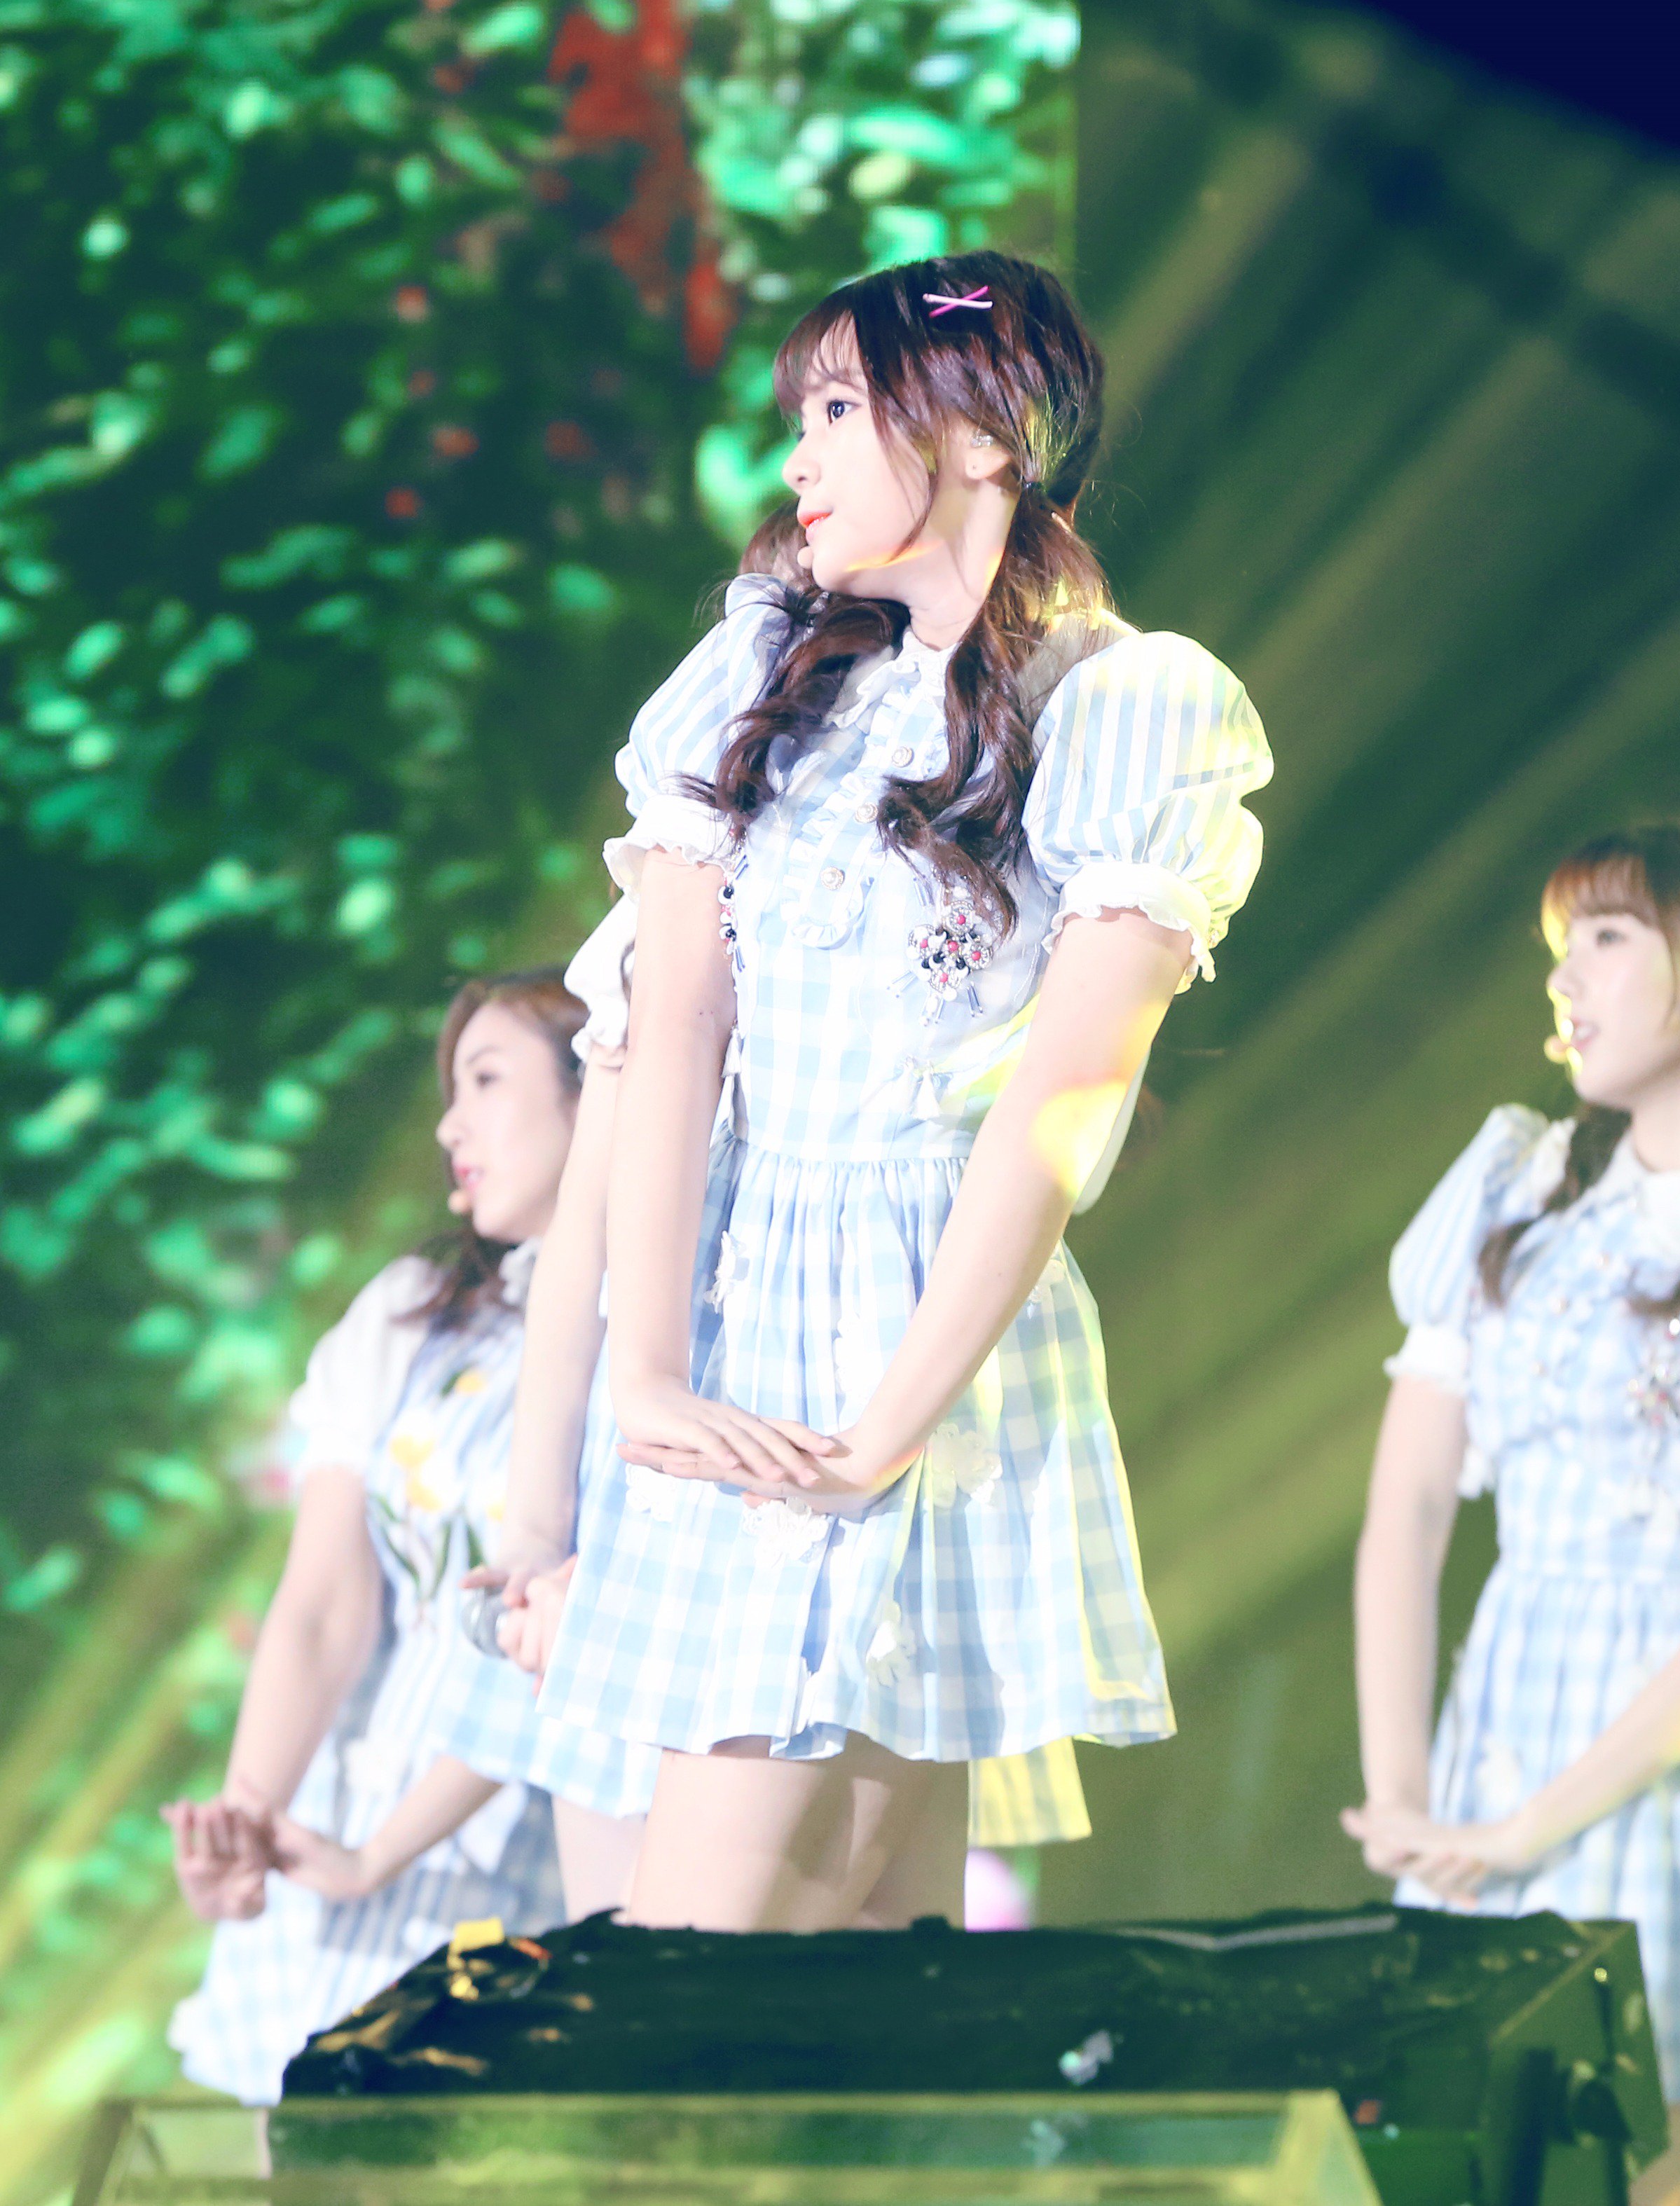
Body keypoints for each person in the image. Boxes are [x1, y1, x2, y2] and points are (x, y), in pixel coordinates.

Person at [508, 249, 1273, 1932]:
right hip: (737, 1316)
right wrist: (644, 1365)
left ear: (986, 434)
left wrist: (884, 1429)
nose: (798, 457)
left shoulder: (1126, 703)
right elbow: (671, 1029)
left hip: (918, 1331)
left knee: (734, 1948)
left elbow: (1060, 1109)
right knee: (833, 1958)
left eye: (838, 409)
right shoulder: (767, 678)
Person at [441, 502, 1097, 1917]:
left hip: (825, 1389)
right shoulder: (693, 894)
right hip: (674, 1440)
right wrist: (545, 1530)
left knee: (845, 1906)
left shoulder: (984, 786)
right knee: (662, 1929)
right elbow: (588, 1244)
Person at [1347, 818, 1680, 2206]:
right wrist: (1403, 1792)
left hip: (1677, 1743)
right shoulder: (1518, 1186)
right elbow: (1407, 1510)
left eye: (1604, 936)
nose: (1564, 976)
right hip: (1503, 1724)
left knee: (1622, 2164)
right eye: (1559, 946)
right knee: (1475, 2161)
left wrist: (1533, 1824)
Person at [163, 970, 582, 2103]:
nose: (451, 1124)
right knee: (292, 2143)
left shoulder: (658, 1335)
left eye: (486, 1080)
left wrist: (383, 1852)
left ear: (599, 1090)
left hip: (516, 1846)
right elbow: (321, 1605)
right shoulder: (414, 1310)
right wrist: (248, 1821)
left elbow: (555, 1659)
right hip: (343, 1813)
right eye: (450, 1091)